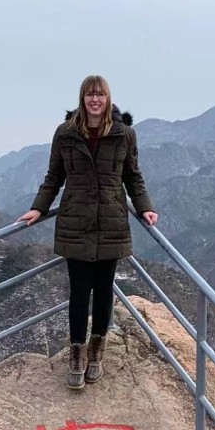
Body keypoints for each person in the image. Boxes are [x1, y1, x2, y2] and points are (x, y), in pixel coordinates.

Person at [17, 75, 158, 390]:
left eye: (100, 95)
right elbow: (54, 175)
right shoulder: (65, 134)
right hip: (76, 221)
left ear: (108, 99)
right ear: (82, 98)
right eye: (90, 94)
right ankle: (77, 355)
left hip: (111, 221)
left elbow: (133, 176)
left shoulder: (125, 135)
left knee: (104, 289)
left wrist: (144, 206)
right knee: (79, 292)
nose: (95, 100)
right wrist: (39, 207)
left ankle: (97, 353)